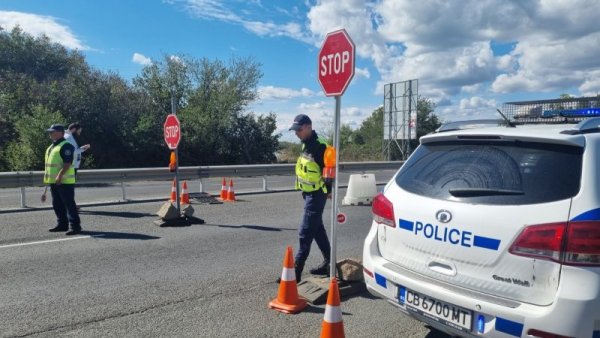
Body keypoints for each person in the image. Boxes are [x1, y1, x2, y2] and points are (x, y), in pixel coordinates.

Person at [285, 114, 332, 282]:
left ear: (308, 127)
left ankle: (295, 272)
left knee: (305, 231)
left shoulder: (320, 146)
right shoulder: (305, 144)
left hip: (317, 195)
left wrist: (328, 190)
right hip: (308, 194)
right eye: (295, 130)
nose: (296, 133)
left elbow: (329, 171)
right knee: (317, 229)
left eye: (298, 130)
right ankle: (329, 264)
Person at [44, 124, 81, 235]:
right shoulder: (53, 146)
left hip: (64, 181)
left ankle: (75, 227)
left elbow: (68, 163)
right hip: (54, 181)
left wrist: (59, 176)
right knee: (57, 204)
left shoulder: (66, 145)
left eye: (52, 131)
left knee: (69, 204)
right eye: (50, 131)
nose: (50, 133)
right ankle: (62, 225)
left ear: (60, 132)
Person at [65, 122, 90, 211]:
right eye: (79, 131)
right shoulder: (68, 137)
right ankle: (71, 207)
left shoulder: (68, 136)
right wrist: (83, 149)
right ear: (74, 129)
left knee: (69, 187)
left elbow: (74, 150)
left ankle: (71, 206)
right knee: (69, 187)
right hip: (71, 166)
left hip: (71, 166)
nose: (79, 133)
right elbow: (73, 152)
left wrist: (81, 148)